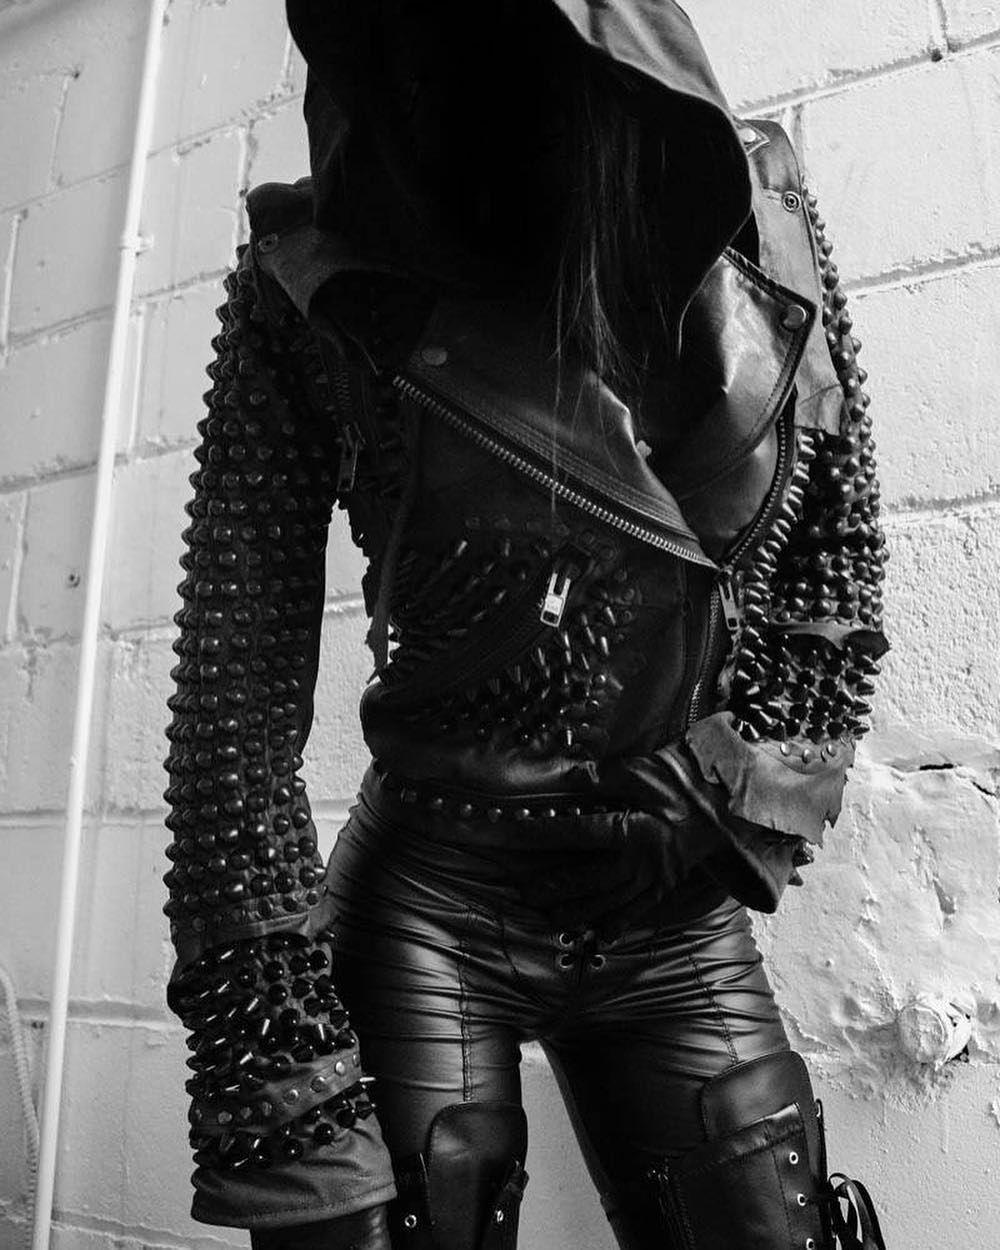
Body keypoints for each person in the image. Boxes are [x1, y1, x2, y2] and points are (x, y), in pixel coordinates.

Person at [161, 2, 891, 1247]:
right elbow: (232, 707)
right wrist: (288, 1102)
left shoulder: (757, 217)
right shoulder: (311, 274)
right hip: (436, 893)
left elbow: (836, 547)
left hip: (668, 894)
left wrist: (747, 786)